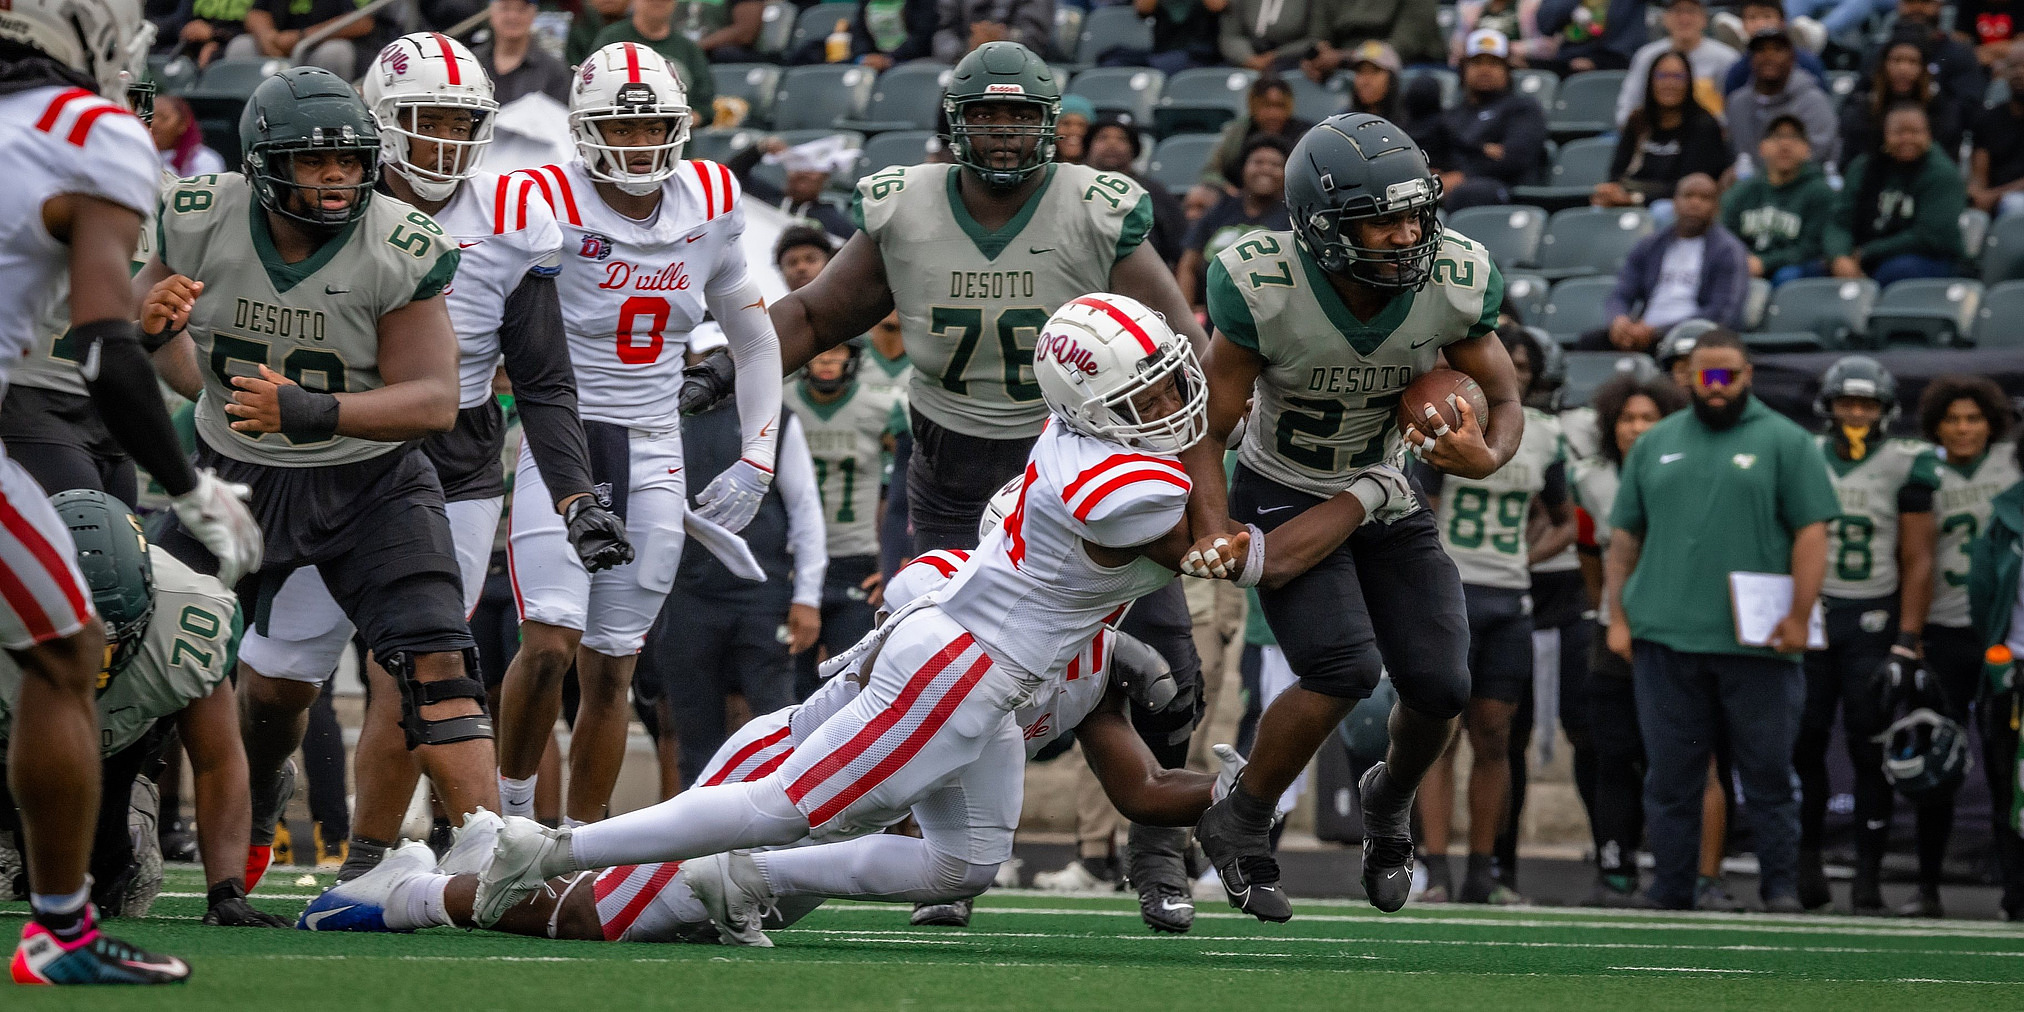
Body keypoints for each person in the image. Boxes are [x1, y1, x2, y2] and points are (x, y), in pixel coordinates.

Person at [468, 293, 1262, 941]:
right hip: (969, 669)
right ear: (1092, 409)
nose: (1171, 403)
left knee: (964, 865)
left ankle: (741, 876)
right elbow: (1228, 542)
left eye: (1169, 381)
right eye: (1144, 395)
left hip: (975, 660)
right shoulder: (1125, 489)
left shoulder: (1071, 435)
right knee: (780, 809)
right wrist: (1365, 491)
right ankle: (550, 847)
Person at [765, 43, 1216, 934]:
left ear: (1050, 125)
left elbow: (1182, 354)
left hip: (1086, 459)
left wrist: (1203, 500)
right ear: (955, 124)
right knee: (940, 665)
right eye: (985, 115)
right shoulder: (905, 205)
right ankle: (944, 857)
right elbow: (815, 314)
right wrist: (724, 367)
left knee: (1173, 672)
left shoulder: (1096, 207)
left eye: (1019, 115)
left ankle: (1157, 846)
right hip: (951, 467)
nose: (1003, 132)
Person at [305, 538, 1225, 943]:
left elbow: (1131, 787)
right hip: (787, 767)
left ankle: (739, 874)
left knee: (967, 865)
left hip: (817, 820)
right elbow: (894, 678)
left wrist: (1243, 791)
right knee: (596, 919)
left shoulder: (1080, 653)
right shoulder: (957, 599)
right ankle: (408, 896)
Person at [247, 35, 626, 884]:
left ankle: (369, 862)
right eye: (425, 120)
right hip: (320, 455)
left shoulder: (513, 216)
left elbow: (544, 380)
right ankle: (265, 777)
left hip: (449, 467)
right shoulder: (328, 197)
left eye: (461, 119)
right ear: (380, 125)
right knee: (280, 684)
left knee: (419, 666)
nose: (446, 139)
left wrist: (571, 495)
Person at [139, 63, 505, 892]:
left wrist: (309, 412)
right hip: (231, 477)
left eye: (348, 158)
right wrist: (159, 332)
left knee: (437, 661)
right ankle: (103, 826)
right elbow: (151, 330)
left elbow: (435, 399)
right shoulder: (200, 216)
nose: (337, 176)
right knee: (149, 651)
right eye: (314, 160)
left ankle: (490, 851)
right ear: (265, 160)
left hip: (370, 482)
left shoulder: (400, 240)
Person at [1184, 111, 1523, 922]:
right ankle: (1243, 816)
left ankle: (1389, 800)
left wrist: (1488, 455)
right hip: (1282, 482)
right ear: (1320, 227)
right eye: (1383, 218)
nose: (1408, 234)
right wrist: (1211, 521)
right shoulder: (1262, 283)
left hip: (1383, 488)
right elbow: (1208, 423)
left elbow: (1506, 395)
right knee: (1343, 669)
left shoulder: (1453, 276)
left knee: (1442, 685)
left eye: (1415, 212)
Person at [1, 0, 262, 984]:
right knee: (70, 646)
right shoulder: (92, 133)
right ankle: (60, 934)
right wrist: (194, 489)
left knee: (62, 641)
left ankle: (59, 929)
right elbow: (115, 357)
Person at [493, 42, 783, 826]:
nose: (637, 144)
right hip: (564, 438)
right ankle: (511, 818)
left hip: (656, 439)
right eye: (619, 131)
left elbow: (753, 337)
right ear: (586, 133)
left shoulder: (712, 199)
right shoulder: (541, 195)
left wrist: (759, 458)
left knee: (614, 667)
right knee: (549, 642)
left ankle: (583, 846)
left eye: (652, 126)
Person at [1604, 328, 1839, 912]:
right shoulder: (1654, 443)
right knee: (1669, 777)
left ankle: (1779, 887)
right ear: (1685, 378)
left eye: (1726, 375)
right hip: (1663, 634)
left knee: (1769, 776)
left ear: (1747, 376)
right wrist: (1619, 617)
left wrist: (1799, 615)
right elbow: (1624, 538)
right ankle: (1672, 888)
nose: (1715, 387)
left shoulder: (1788, 442)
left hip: (1758, 641)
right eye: (1703, 375)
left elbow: (1813, 533)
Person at [0, 491, 285, 929]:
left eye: (114, 641)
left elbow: (216, 759)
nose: (96, 661)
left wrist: (226, 891)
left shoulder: (190, 613)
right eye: (77, 639)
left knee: (108, 892)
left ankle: (135, 803)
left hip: (113, 751)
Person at [1416, 325, 1573, 905]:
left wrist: (1521, 560)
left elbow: (1565, 521)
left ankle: (1483, 874)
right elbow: (1420, 511)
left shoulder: (1547, 436)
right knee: (1438, 737)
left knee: (1496, 738)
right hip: (1451, 596)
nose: (1517, 375)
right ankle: (1435, 870)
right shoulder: (1444, 418)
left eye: (1526, 368)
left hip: (1509, 601)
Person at [1793, 357, 1938, 914]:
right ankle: (1807, 862)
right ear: (1828, 407)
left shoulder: (1906, 463)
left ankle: (1868, 877)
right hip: (1812, 612)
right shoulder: (1803, 454)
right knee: (1804, 743)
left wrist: (1908, 635)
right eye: (1847, 403)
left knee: (1869, 744)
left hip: (1872, 616)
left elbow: (1918, 556)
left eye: (1867, 404)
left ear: (1885, 411)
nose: (1856, 413)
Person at [645, 343, 823, 790]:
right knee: (693, 732)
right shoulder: (665, 418)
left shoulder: (775, 418)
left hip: (760, 596)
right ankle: (694, 846)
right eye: (705, 357)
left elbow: (805, 510)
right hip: (686, 596)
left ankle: (779, 837)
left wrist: (806, 598)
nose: (715, 369)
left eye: (724, 357)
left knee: (774, 723)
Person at [1568, 373, 1689, 904]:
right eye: (1628, 418)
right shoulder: (1593, 478)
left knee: (1676, 756)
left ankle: (1680, 870)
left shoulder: (1689, 470)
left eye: (1648, 418)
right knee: (1611, 753)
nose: (1637, 428)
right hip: (1614, 631)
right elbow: (1590, 553)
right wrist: (1609, 612)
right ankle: (1614, 863)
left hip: (1677, 629)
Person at [1910, 375, 2017, 918]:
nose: (1963, 428)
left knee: (2008, 768)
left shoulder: (2012, 465)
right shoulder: (1923, 469)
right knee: (1937, 763)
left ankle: (2012, 890)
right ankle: (1926, 886)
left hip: (1999, 635)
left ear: (1991, 422)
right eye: (1953, 418)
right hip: (1944, 630)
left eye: (1973, 418)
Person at [785, 340, 905, 698]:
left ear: (853, 356)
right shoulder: (781, 403)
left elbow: (911, 480)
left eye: (837, 351)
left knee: (849, 687)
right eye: (821, 350)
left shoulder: (880, 407)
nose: (826, 358)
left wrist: (894, 558)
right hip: (791, 561)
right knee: (786, 688)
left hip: (855, 560)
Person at [1580, 174, 1750, 351]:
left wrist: (1658, 331)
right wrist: (1619, 320)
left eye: (1704, 198)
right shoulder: (1650, 245)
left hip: (1695, 337)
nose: (1695, 203)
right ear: (1675, 203)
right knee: (1590, 342)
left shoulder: (1729, 251)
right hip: (1643, 332)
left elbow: (1722, 313)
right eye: (1688, 196)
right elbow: (1620, 294)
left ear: (1716, 207)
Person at [1966, 439, 2024, 923]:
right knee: (2011, 790)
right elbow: (1981, 593)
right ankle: (2017, 895)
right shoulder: (2006, 518)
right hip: (2015, 673)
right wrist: (1998, 657)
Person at [1827, 103, 1965, 285]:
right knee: (1809, 272)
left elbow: (1931, 237)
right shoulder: (1863, 168)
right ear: (1884, 135)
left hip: (1930, 258)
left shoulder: (1942, 173)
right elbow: (1839, 222)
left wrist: (1867, 252)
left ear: (1928, 135)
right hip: (1864, 253)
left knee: (1895, 272)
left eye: (1915, 132)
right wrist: (1839, 257)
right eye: (1899, 132)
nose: (1907, 138)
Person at [1421, 30, 1549, 212]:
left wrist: (1463, 175)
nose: (1485, 69)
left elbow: (1515, 158)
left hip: (1505, 190)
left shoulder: (1522, 108)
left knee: (1470, 192)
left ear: (1507, 70)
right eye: (1477, 63)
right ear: (1464, 69)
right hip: (1447, 186)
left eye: (1493, 63)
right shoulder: (1452, 115)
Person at [1594, 51, 1731, 213]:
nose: (1669, 83)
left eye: (1678, 77)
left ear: (1689, 83)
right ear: (1651, 81)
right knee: (1599, 208)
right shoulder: (1638, 120)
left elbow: (1691, 186)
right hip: (1630, 199)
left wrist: (1636, 199)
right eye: (1662, 76)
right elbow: (1616, 173)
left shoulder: (1704, 125)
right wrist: (1612, 192)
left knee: (1661, 211)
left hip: (1678, 208)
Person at [1178, 135, 1291, 314]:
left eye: (1276, 165)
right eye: (1258, 162)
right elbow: (1188, 265)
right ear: (1243, 168)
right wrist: (1186, 315)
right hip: (1216, 323)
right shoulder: (1221, 209)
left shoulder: (1293, 216)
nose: (1266, 170)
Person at [1720, 113, 1835, 285]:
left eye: (1794, 138)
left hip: (1794, 270)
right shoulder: (1743, 190)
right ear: (1762, 147)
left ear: (1807, 150)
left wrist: (1765, 263)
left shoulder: (1820, 191)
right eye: (1777, 137)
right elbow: (1724, 233)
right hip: (1747, 265)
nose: (1785, 144)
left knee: (1787, 276)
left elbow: (1812, 247)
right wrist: (1743, 260)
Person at [1840, 28, 1964, 167]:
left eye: (1912, 61)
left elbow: (1948, 164)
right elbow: (1850, 164)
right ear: (1883, 65)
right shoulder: (1862, 110)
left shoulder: (1942, 111)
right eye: (1897, 60)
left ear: (1924, 69)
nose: (1903, 69)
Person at [1726, 26, 1840, 169]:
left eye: (1777, 50)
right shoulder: (1737, 103)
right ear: (1750, 58)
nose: (1769, 56)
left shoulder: (1813, 101)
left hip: (1801, 184)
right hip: (1750, 185)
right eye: (1761, 50)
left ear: (1792, 58)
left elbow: (1817, 154)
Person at [1616, 0, 1738, 128]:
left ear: (1704, 18)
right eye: (1677, 11)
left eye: (1691, 11)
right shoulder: (1646, 56)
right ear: (1665, 18)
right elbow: (1628, 106)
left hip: (1710, 136)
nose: (1684, 19)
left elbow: (1734, 110)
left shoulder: (1727, 57)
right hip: (1658, 134)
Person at [1086, 115, 1188, 267]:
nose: (1112, 144)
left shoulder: (1153, 192)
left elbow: (1179, 246)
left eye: (1122, 139)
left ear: (1135, 150)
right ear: (1088, 147)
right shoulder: (1074, 186)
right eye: (1102, 138)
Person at [589, 0, 716, 122]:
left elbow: (705, 108)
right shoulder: (610, 39)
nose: (658, 2)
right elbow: (590, 91)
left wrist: (669, 122)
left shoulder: (689, 48)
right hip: (619, 132)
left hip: (675, 138)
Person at [728, 135, 856, 239]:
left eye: (812, 171)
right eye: (798, 166)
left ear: (825, 179)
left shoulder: (832, 221)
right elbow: (730, 177)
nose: (803, 173)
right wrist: (760, 148)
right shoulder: (766, 198)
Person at [1198, 75, 1311, 193]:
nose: (1273, 114)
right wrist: (1229, 191)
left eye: (1280, 106)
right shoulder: (1237, 132)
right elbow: (1211, 173)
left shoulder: (1305, 135)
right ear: (1253, 105)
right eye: (1266, 105)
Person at [223, 0, 374, 78]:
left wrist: (301, 38)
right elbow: (256, 13)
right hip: (280, 46)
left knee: (334, 52)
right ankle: (245, 122)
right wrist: (266, 37)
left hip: (325, 45)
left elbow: (362, 21)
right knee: (241, 46)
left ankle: (329, 120)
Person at [475, 0, 574, 107]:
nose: (513, 16)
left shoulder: (554, 70)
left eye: (521, 9)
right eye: (505, 8)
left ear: (534, 13)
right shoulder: (473, 62)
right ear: (491, 12)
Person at [1720, 0, 1828, 97]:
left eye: (1767, 16)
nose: (1760, 24)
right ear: (1743, 24)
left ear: (1782, 22)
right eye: (1752, 18)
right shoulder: (1737, 72)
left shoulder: (1807, 63)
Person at [1306, 0, 1445, 67]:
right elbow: (1318, 34)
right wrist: (1318, 56)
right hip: (1338, 64)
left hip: (1406, 63)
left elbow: (1405, 43)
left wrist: (1347, 57)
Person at [1969, 52, 2024, 218]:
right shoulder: (1988, 118)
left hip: (2011, 202)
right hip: (1993, 200)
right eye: (2013, 66)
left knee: (2015, 205)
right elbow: (1979, 173)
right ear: (2003, 73)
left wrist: (1994, 196)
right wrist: (1977, 194)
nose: (2019, 72)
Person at [1537, 0, 1644, 72]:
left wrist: (1596, 62)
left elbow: (1627, 43)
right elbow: (1546, 25)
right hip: (1567, 62)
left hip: (1616, 63)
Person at [931, 0, 1052, 63]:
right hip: (963, 58)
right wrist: (964, 51)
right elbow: (943, 29)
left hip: (1018, 63)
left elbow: (1035, 34)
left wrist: (999, 42)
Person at [1220, 0, 1322, 72]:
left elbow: (1317, 38)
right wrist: (1248, 59)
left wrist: (1276, 55)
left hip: (1295, 60)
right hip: (1247, 59)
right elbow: (1231, 35)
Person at [1452, 0, 1555, 67]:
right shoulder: (1472, 8)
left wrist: (1512, 48)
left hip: (1515, 63)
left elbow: (1548, 46)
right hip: (1479, 60)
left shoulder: (1532, 6)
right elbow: (1458, 47)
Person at [150, 93, 225, 177]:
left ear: (183, 124)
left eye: (163, 118)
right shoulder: (139, 155)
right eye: (150, 118)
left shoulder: (205, 160)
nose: (154, 124)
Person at [848, 0, 938, 69]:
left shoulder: (922, 3)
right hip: (871, 59)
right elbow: (859, 32)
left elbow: (922, 36)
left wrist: (889, 58)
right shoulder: (865, 2)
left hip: (910, 60)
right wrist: (866, 56)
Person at [675, 0, 765, 62]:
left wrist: (695, 47)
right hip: (672, 50)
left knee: (728, 54)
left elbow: (745, 31)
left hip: (714, 54)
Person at [1345, 41, 1402, 121]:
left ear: (1392, 78)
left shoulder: (1411, 120)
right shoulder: (1345, 120)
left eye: (1374, 71)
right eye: (1360, 72)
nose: (1365, 81)